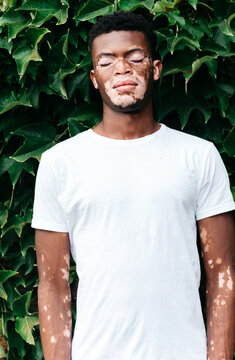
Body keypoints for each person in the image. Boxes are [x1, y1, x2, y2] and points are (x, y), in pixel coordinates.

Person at [32, 11, 235, 360]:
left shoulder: (198, 156)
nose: (122, 69)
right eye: (107, 61)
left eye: (135, 58)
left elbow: (222, 275)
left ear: (154, 69)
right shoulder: (59, 163)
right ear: (95, 79)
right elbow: (52, 283)